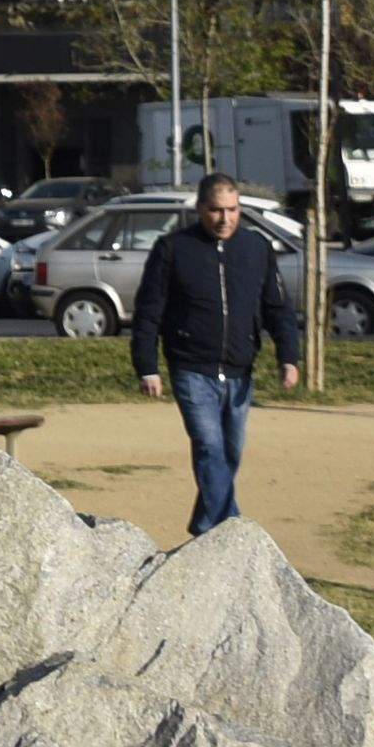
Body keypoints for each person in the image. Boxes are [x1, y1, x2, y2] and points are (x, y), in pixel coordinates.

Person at [128, 170, 304, 536]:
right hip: (191, 368)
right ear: (199, 209)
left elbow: (277, 308)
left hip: (240, 370)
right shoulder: (173, 249)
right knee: (209, 447)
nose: (225, 218)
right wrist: (147, 366)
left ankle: (206, 523)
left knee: (230, 453)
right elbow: (149, 311)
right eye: (216, 210)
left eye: (232, 210)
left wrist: (289, 357)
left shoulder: (256, 248)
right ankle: (230, 531)